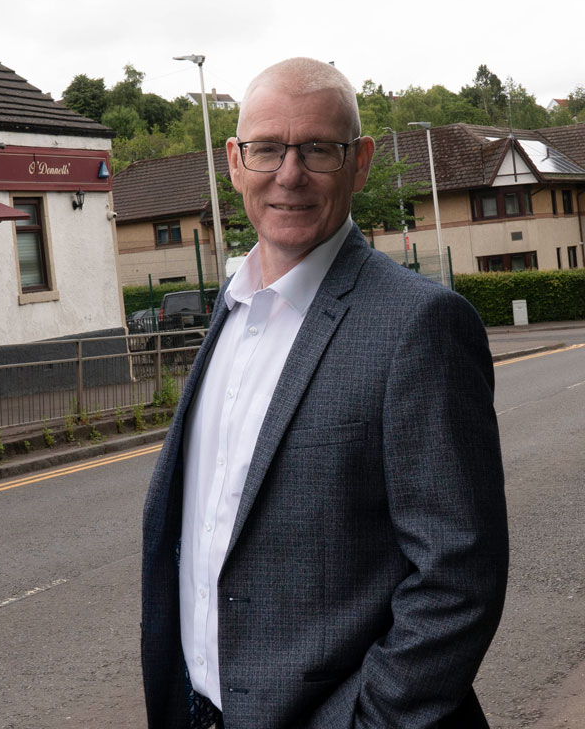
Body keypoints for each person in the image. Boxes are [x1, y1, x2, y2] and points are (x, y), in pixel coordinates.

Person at [140, 57, 508, 729]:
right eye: (268, 149)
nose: (289, 174)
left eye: (318, 149)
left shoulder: (419, 325)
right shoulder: (230, 311)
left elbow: (459, 577)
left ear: (360, 162)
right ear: (234, 162)